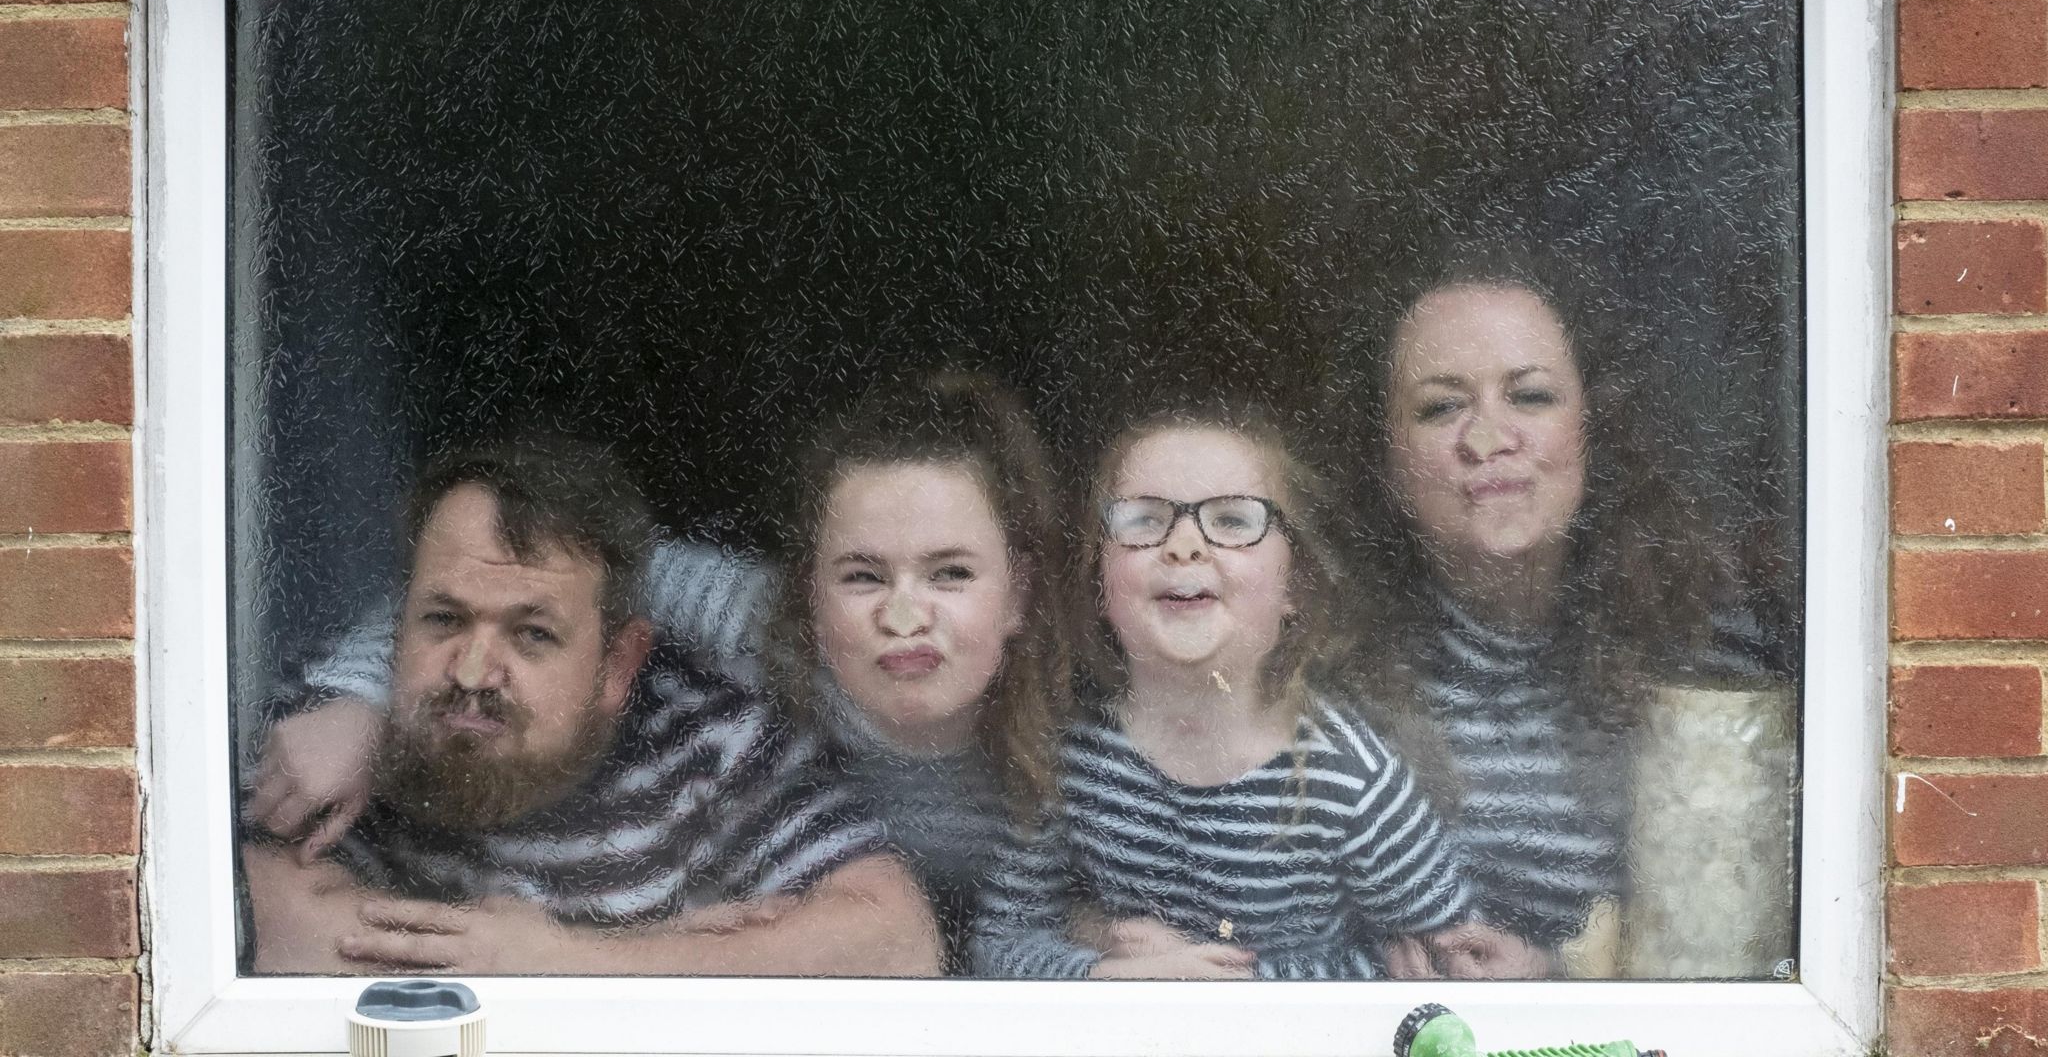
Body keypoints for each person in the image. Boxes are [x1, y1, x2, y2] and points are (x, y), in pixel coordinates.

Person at [240, 438, 939, 975]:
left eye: (532, 633)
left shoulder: (705, 737)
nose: (475, 671)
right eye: (445, 620)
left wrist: (569, 961)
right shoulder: (332, 735)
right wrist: (678, 950)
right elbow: (290, 934)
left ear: (618, 664)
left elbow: (895, 942)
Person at [1348, 247, 1785, 979]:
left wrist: (1557, 979)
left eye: (1530, 396)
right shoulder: (1325, 667)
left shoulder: (1706, 654)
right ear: (1388, 458)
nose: (1488, 439)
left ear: (1594, 423)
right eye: (1441, 406)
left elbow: (1742, 956)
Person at [967, 406, 1471, 980]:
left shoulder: (1350, 781)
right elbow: (998, 943)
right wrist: (1107, 975)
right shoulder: (1071, 759)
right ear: (1099, 584)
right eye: (1141, 520)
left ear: (1296, 585)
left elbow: (1453, 965)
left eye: (1233, 520)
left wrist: (1237, 990)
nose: (1184, 545)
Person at [767, 370, 1070, 967]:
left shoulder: (1063, 746)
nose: (903, 617)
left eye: (951, 573)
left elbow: (1019, 945)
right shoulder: (762, 637)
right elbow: (605, 568)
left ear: (1019, 596)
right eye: (863, 576)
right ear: (810, 599)